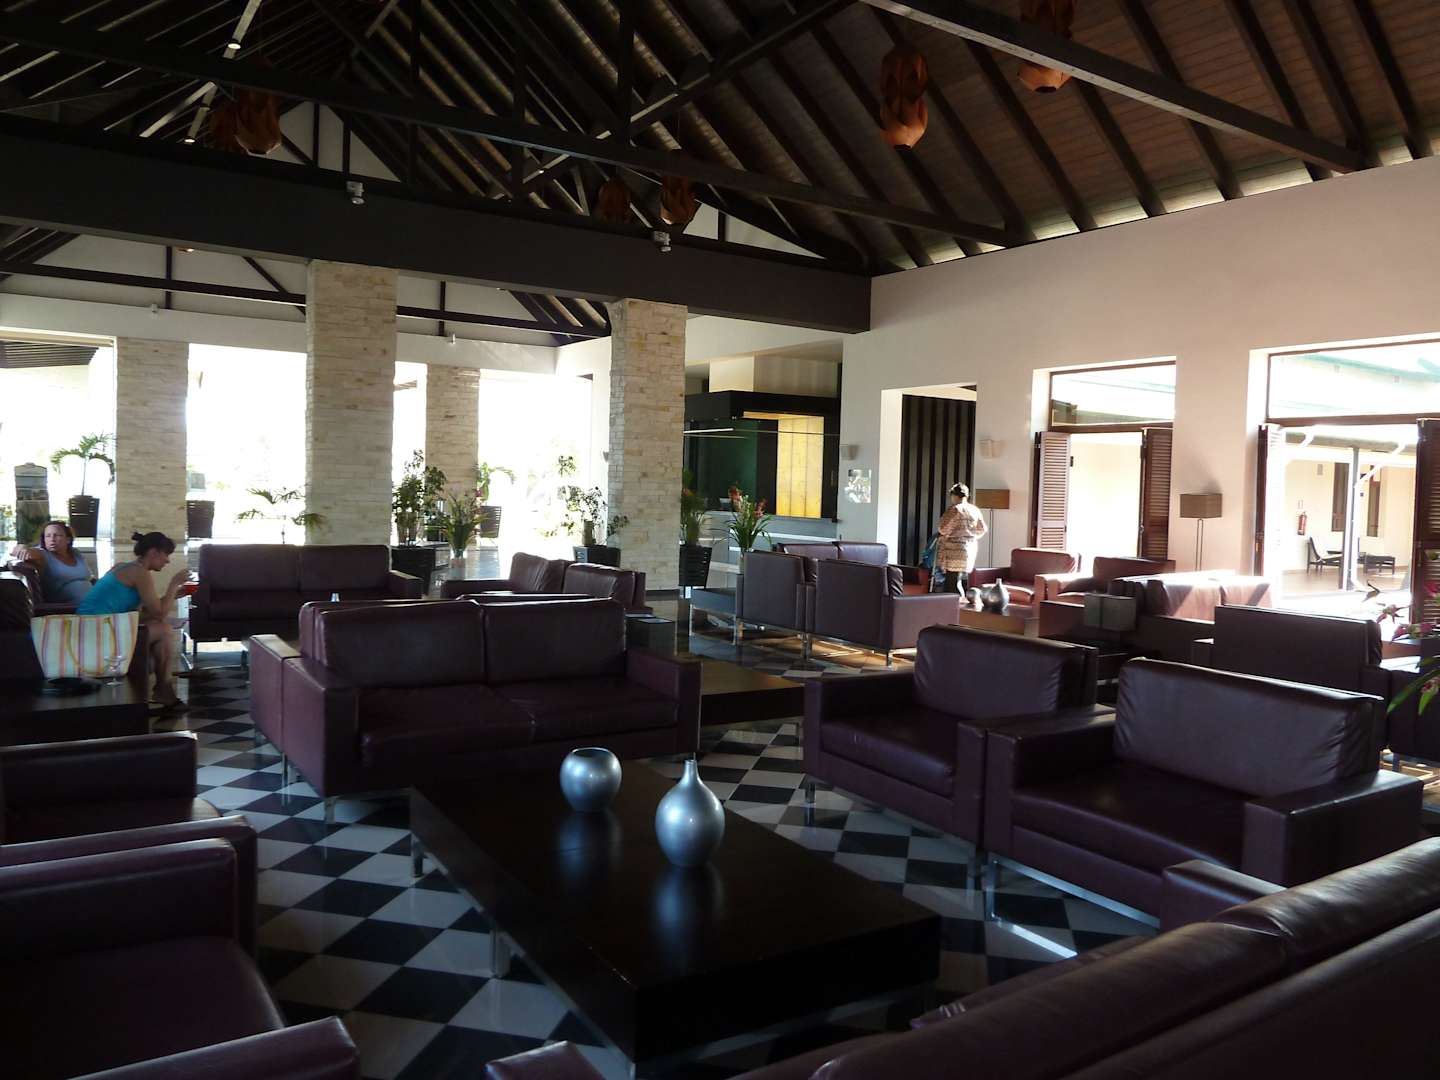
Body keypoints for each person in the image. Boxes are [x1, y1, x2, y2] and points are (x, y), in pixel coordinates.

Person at [78, 530, 191, 708]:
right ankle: (163, 689)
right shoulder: (139, 573)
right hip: (96, 631)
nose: (168, 560)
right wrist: (174, 584)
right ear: (153, 552)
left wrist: (173, 595)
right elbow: (159, 613)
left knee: (161, 630)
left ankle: (161, 690)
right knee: (164, 630)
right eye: (166, 555)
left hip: (93, 627)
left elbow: (142, 614)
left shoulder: (125, 567)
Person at [9, 520, 93, 605]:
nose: (52, 539)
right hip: (70, 607)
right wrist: (22, 547)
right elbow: (26, 551)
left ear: (68, 539)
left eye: (57, 535)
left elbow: (89, 578)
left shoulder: (75, 553)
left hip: (92, 599)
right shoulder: (43, 554)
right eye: (48, 536)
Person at [935, 482, 987, 593]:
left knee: (952, 583)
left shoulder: (955, 509)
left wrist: (955, 534)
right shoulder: (974, 510)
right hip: (969, 548)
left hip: (953, 549)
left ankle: (956, 603)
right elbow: (982, 529)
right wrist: (969, 535)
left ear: (954, 495)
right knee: (957, 580)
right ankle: (957, 602)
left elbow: (942, 528)